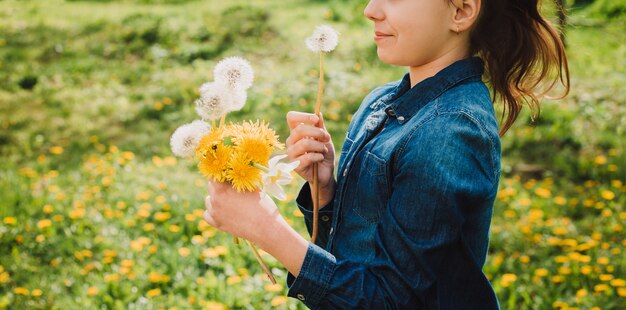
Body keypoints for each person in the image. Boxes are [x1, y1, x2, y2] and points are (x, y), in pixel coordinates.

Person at [202, 0, 569, 308]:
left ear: (460, 11)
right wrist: (328, 188)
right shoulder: (383, 100)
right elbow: (359, 249)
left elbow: (394, 299)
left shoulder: (451, 131)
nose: (370, 9)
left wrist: (267, 230)